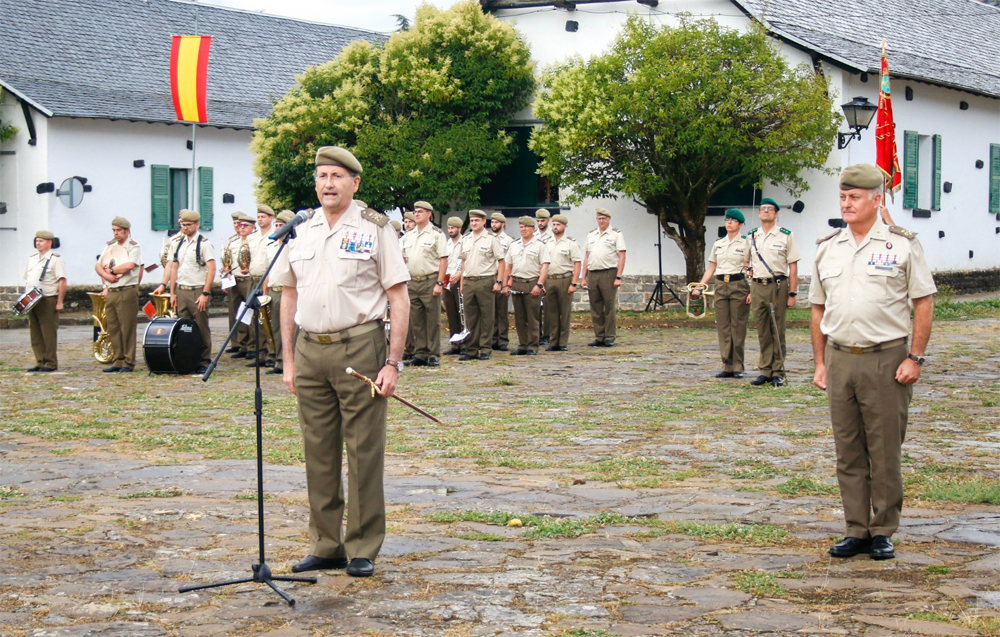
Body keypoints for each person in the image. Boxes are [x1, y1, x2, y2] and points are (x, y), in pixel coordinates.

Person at [271, 146, 409, 579]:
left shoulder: (375, 228)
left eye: (336, 176)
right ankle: (326, 544)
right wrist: (288, 359)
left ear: (355, 182)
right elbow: (288, 294)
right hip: (310, 349)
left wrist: (393, 363)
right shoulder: (301, 228)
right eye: (321, 176)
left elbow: (398, 297)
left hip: (360, 346)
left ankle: (363, 546)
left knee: (363, 450)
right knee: (318, 451)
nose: (327, 184)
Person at [811, 164, 936, 562]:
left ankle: (882, 530)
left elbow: (923, 302)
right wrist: (820, 363)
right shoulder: (828, 246)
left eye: (855, 197)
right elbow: (817, 309)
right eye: (842, 197)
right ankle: (856, 529)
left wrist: (915, 357)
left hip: (886, 359)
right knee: (847, 450)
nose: (846, 204)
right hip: (840, 358)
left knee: (883, 451)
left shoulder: (902, 245)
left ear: (876, 199)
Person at [746, 198, 801, 387]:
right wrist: (748, 274)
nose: (766, 211)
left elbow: (793, 267)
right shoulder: (752, 235)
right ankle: (765, 370)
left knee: (777, 329)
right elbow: (746, 261)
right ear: (759, 213)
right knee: (762, 330)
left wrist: (792, 293)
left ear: (776, 214)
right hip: (757, 285)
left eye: (770, 209)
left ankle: (778, 371)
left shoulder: (785, 235)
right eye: (763, 209)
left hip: (777, 285)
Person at [155, 210, 216, 373]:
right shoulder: (177, 243)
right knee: (183, 328)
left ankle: (203, 361)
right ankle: (187, 359)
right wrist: (172, 292)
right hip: (182, 289)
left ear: (197, 224)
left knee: (201, 327)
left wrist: (205, 293)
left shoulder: (204, 244)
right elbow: (174, 267)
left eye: (189, 225)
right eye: (183, 225)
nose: (185, 228)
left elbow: (211, 269)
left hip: (197, 290)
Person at [692, 209, 751, 378]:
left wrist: (752, 290)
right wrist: (700, 286)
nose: (729, 223)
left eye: (733, 220)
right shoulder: (719, 243)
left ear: (740, 224)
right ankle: (727, 365)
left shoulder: (746, 243)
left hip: (738, 284)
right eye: (727, 220)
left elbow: (750, 268)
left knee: (737, 327)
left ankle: (738, 365)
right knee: (723, 326)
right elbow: (711, 268)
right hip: (720, 284)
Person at [402, 201, 448, 367]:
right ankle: (420, 353)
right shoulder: (409, 235)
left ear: (429, 214)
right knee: (417, 320)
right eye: (415, 211)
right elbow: (402, 259)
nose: (416, 214)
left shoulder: (436, 234)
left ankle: (433, 354)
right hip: (413, 281)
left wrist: (439, 283)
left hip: (430, 280)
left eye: (420, 211)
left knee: (432, 319)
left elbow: (443, 260)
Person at [95, 216, 143, 372]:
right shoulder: (110, 246)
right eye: (114, 230)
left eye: (119, 230)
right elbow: (98, 265)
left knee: (127, 327)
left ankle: (129, 362)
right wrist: (107, 276)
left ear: (126, 231)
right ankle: (118, 360)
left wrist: (110, 270)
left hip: (126, 290)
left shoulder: (133, 246)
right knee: (113, 327)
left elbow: (129, 265)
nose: (116, 233)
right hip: (112, 290)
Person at [458, 209, 505, 361]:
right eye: (472, 221)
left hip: (486, 280)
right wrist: (462, 283)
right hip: (469, 280)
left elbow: (501, 261)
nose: (473, 223)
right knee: (470, 317)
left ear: (484, 222)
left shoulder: (491, 239)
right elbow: (463, 262)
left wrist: (499, 281)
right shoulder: (465, 239)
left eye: (476, 220)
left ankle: (485, 348)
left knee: (487, 316)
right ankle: (472, 349)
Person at [503, 216, 550, 355]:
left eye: (526, 227)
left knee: (532, 317)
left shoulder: (540, 245)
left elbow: (545, 266)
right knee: (519, 317)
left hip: (532, 282)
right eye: (521, 227)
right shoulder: (514, 245)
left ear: (533, 229)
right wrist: (506, 283)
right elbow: (509, 265)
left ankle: (532, 346)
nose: (523, 229)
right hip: (517, 283)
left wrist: (539, 284)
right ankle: (522, 345)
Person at [22, 230, 66, 372]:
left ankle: (51, 362)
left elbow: (62, 281)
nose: (38, 243)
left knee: (48, 333)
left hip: (48, 299)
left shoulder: (55, 260)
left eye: (41, 241)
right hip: (32, 300)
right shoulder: (32, 259)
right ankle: (40, 361)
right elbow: (28, 279)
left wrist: (60, 301)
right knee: (35, 333)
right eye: (37, 241)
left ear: (49, 243)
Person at [581, 208, 626, 347]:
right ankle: (599, 336)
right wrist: (583, 277)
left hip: (608, 272)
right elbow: (587, 256)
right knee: (595, 306)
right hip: (593, 273)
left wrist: (618, 277)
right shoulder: (591, 235)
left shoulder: (616, 234)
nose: (601, 221)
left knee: (609, 306)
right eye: (599, 218)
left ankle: (609, 336)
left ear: (609, 219)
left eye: (604, 218)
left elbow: (622, 256)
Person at [545, 214, 581, 352]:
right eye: (554, 224)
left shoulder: (570, 243)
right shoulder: (547, 242)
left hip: (564, 279)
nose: (555, 227)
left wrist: (574, 283)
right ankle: (553, 341)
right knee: (552, 312)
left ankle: (563, 342)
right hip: (550, 279)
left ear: (565, 226)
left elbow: (577, 263)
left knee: (564, 312)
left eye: (558, 225)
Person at [244, 204, 274, 367]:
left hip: (266, 279)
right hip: (252, 279)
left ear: (271, 218)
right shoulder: (252, 238)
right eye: (259, 217)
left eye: (263, 217)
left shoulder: (274, 235)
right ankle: (259, 352)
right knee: (254, 318)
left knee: (267, 318)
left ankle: (271, 353)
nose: (260, 219)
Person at [265, 210, 294, 375]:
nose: (278, 228)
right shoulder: (271, 246)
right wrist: (265, 293)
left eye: (281, 225)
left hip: (289, 291)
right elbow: (267, 272)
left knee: (290, 329)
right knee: (275, 328)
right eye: (276, 225)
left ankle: (291, 361)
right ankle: (279, 360)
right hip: (274, 291)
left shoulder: (295, 245)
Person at [489, 212, 513, 352]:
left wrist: (507, 281)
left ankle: (503, 339)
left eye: (496, 222)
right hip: (490, 275)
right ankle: (492, 339)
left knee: (502, 311)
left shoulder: (508, 241)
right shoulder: (487, 238)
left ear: (502, 224)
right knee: (490, 311)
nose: (494, 225)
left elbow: (510, 261)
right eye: (492, 222)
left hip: (502, 275)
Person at [442, 216, 465, 355]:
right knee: (451, 314)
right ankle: (455, 344)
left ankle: (465, 343)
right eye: (449, 228)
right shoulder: (446, 244)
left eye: (453, 228)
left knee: (463, 314)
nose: (450, 230)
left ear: (459, 229)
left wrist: (460, 275)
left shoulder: (465, 242)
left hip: (459, 281)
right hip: (448, 282)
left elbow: (468, 262)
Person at [534, 209, 555, 346]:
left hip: (549, 273)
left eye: (542, 220)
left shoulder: (553, 235)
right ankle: (536, 333)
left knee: (548, 306)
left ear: (548, 220)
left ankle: (547, 334)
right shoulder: (534, 235)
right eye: (538, 221)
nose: (540, 223)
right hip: (535, 273)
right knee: (535, 306)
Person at [225, 211, 242, 353]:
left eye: (239, 223)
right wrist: (226, 276)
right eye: (235, 223)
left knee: (246, 312)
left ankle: (246, 343)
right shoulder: (232, 240)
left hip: (246, 277)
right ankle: (235, 342)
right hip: (233, 279)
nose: (237, 226)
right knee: (233, 311)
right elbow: (227, 260)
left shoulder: (250, 238)